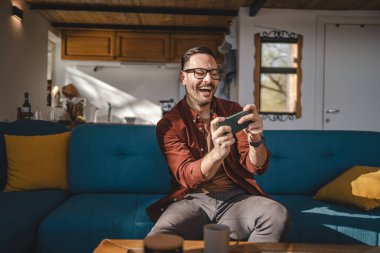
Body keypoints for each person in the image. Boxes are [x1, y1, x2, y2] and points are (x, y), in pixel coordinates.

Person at [146, 46, 290, 242]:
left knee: (275, 214)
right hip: (191, 200)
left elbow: (256, 166)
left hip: (236, 198)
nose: (208, 79)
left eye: (214, 73)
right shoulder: (169, 124)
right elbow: (187, 176)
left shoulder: (232, 110)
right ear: (183, 78)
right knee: (158, 239)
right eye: (199, 72)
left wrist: (256, 140)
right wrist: (217, 153)